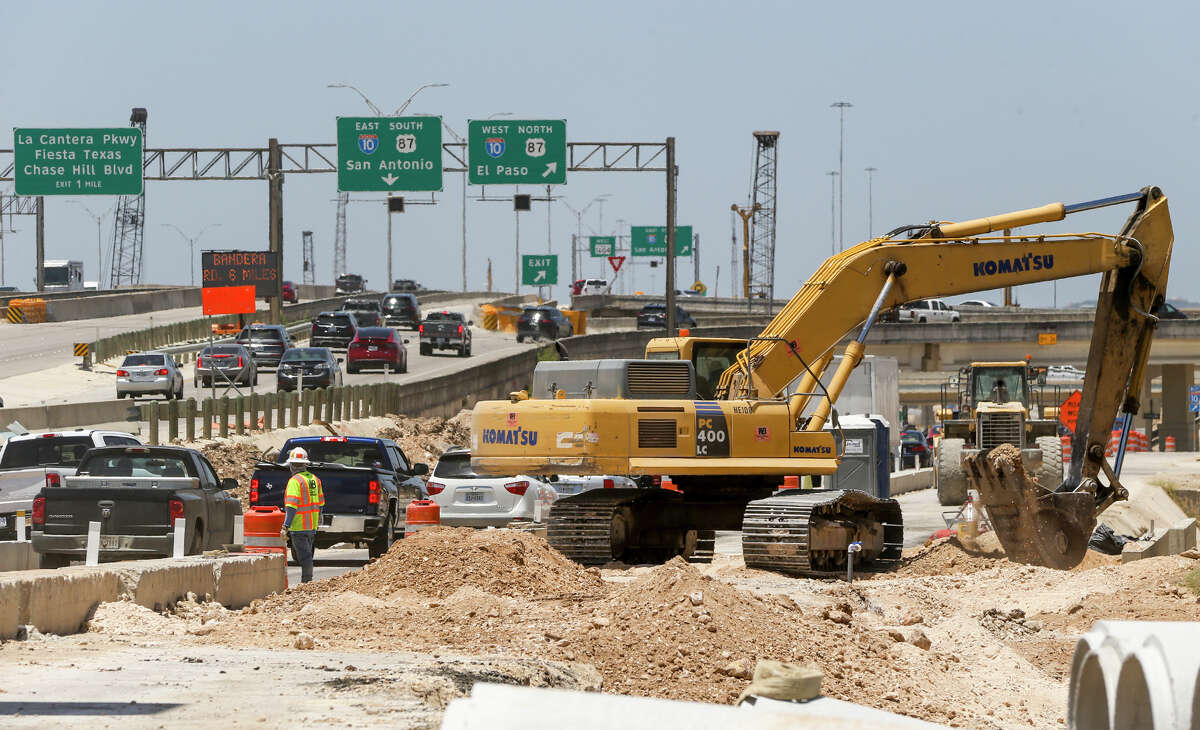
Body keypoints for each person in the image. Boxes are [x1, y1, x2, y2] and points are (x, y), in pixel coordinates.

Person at [280, 447, 324, 583]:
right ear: (305, 464)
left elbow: (292, 506)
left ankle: (307, 583)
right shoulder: (314, 480)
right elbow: (320, 503)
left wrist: (285, 526)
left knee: (304, 557)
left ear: (291, 465)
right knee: (306, 555)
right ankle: (307, 581)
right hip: (311, 526)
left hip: (299, 526)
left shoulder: (295, 481)